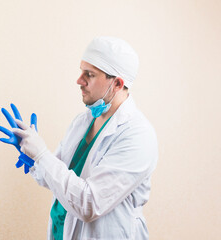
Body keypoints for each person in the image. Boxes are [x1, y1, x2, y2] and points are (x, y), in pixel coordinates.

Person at [11, 36, 158, 240]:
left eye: (89, 75)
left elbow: (89, 204)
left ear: (116, 83)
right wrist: (34, 158)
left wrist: (42, 155)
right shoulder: (84, 120)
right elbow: (58, 177)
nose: (79, 81)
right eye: (82, 72)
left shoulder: (138, 136)